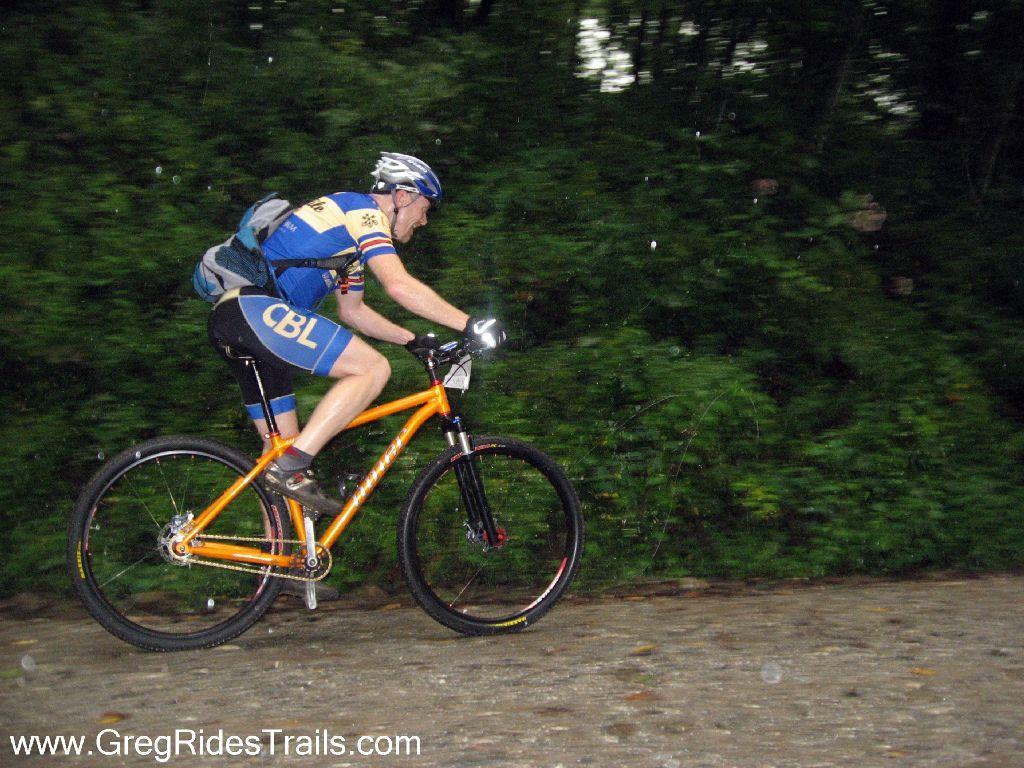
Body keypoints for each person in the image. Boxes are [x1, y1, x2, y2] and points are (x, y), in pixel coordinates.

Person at [207, 152, 506, 515]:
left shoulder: (350, 248)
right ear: (402, 196)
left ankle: (287, 563)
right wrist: (470, 324)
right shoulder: (363, 213)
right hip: (256, 312)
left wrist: (410, 339)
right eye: (425, 208)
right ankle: (291, 468)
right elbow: (398, 286)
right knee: (372, 370)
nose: (424, 220)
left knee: (285, 465)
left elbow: (354, 311)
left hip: (238, 319)